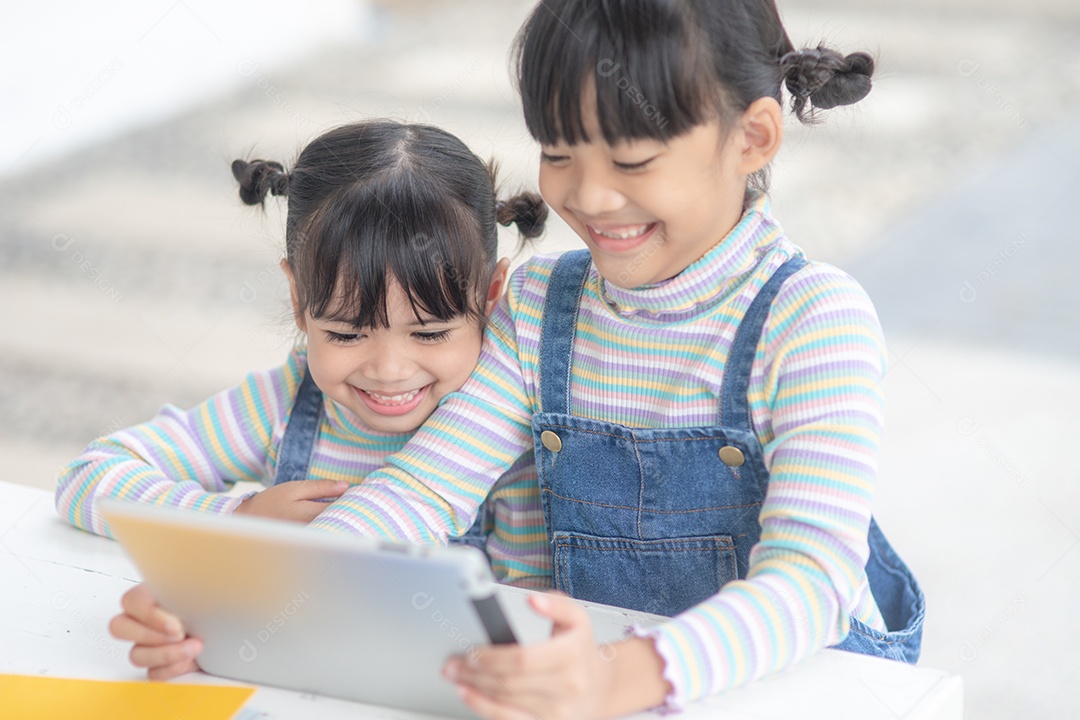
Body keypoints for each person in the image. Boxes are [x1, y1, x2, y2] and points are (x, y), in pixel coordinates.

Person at [113, 1, 927, 717]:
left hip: (789, 692)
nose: (590, 197)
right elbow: (422, 488)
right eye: (560, 152)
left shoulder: (813, 320)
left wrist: (613, 679)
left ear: (752, 137)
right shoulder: (538, 304)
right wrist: (241, 600)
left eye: (632, 160)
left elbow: (810, 583)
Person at [56, 119, 551, 676]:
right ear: (298, 298)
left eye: (430, 333)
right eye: (346, 333)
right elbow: (89, 477)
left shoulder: (504, 436)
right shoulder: (284, 404)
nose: (388, 370)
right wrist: (236, 520)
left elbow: (533, 611)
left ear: (492, 293)